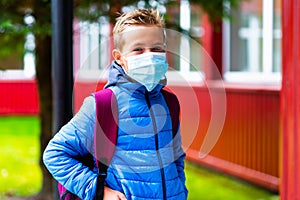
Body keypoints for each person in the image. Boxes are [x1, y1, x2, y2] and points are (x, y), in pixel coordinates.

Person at [43, 8, 188, 200]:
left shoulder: (170, 102)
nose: (149, 56)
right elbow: (55, 154)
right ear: (119, 57)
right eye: (138, 49)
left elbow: (176, 156)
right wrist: (99, 191)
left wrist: (180, 190)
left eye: (157, 49)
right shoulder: (102, 104)